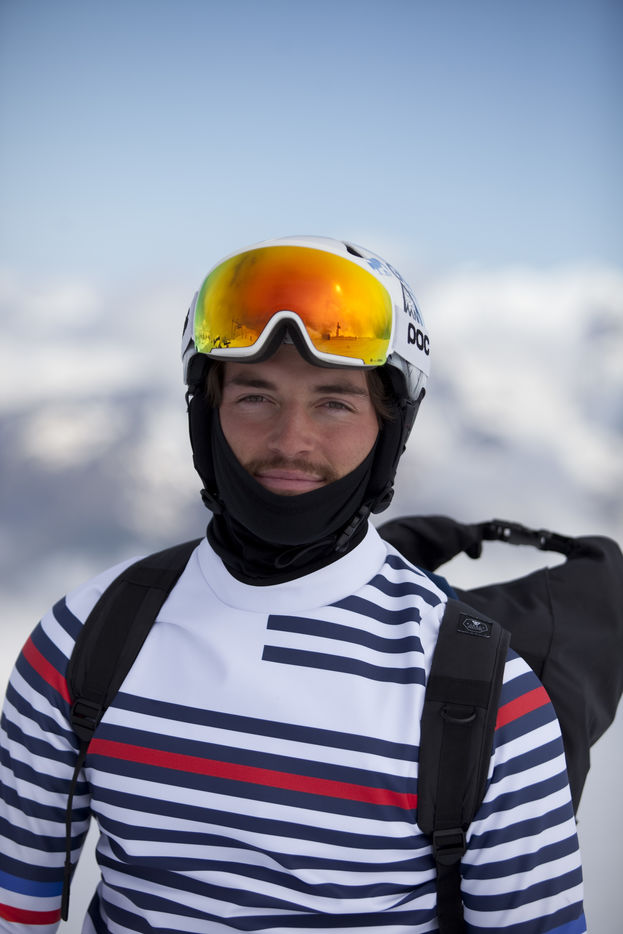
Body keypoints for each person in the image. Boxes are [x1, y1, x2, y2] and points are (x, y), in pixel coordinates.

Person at [0, 237, 586, 932]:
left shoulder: (485, 690)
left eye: (334, 403)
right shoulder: (83, 638)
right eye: (255, 396)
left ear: (389, 428)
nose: (290, 440)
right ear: (205, 411)